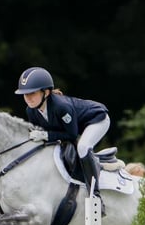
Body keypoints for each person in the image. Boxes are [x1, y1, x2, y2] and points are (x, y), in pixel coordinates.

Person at [15, 66, 110, 215]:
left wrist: (46, 136)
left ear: (45, 92)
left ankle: (96, 196)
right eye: (25, 94)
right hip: (75, 127)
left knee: (83, 147)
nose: (28, 98)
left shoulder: (61, 107)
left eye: (32, 93)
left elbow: (71, 136)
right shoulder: (31, 110)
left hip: (96, 120)